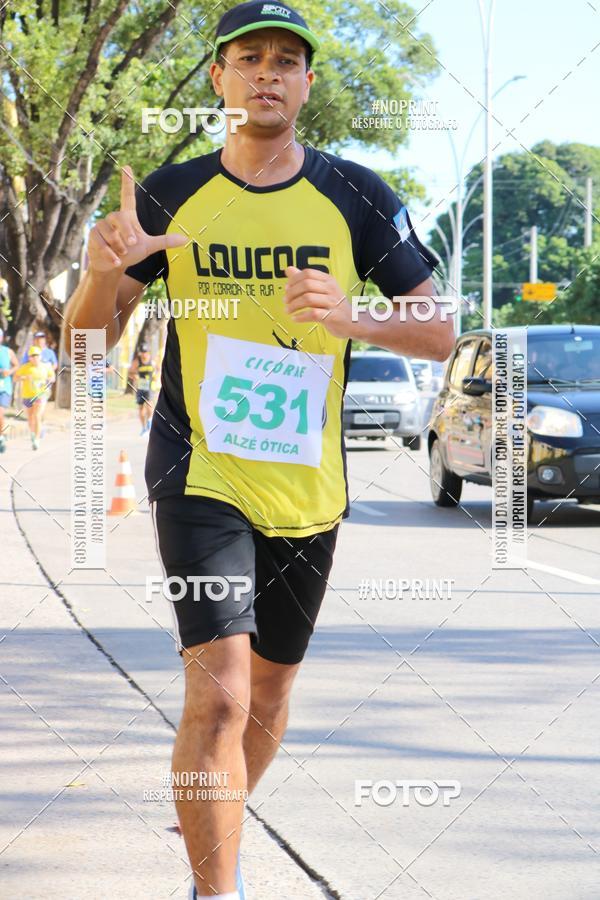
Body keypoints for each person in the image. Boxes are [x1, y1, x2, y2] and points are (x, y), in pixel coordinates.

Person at [65, 3, 454, 896]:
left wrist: (354, 315)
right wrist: (97, 277)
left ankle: (215, 808)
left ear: (307, 82)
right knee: (224, 691)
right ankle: (218, 886)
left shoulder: (358, 194)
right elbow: (87, 346)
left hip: (307, 483)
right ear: (218, 77)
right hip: (198, 469)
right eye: (249, 58)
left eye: (287, 60)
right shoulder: (170, 195)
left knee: (271, 697)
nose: (267, 73)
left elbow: (438, 330)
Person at [14, 345, 55, 450]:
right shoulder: (25, 367)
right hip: (27, 395)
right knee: (30, 418)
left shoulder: (45, 366)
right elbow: (15, 378)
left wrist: (50, 379)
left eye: (37, 355)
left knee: (37, 416)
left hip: (40, 395)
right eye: (32, 356)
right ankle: (32, 433)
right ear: (29, 357)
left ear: (40, 356)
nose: (35, 358)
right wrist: (24, 377)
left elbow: (52, 376)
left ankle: (37, 440)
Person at [129, 342, 155, 435]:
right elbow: (130, 372)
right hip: (140, 387)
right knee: (141, 408)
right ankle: (144, 428)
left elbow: (159, 369)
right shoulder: (137, 361)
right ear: (140, 353)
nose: (144, 354)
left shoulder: (152, 360)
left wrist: (158, 375)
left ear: (148, 352)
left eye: (146, 352)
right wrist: (134, 376)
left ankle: (149, 423)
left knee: (149, 405)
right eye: (142, 352)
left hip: (150, 387)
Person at [0, 328, 19, 453]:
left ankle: (1, 437)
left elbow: (16, 365)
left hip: (4, 388)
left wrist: (9, 372)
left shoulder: (8, 352)